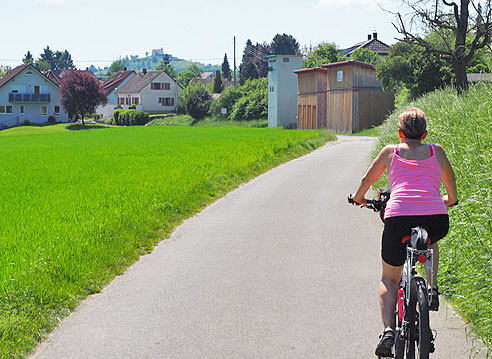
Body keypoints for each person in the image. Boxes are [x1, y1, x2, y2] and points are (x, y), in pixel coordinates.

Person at [351, 107, 458, 357]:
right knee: (430, 240)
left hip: (398, 218)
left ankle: (388, 331)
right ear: (425, 134)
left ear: (400, 134)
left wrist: (359, 198)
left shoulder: (391, 152)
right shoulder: (437, 151)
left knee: (389, 278)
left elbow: (368, 180)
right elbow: (450, 184)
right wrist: (449, 200)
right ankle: (431, 287)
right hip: (435, 217)